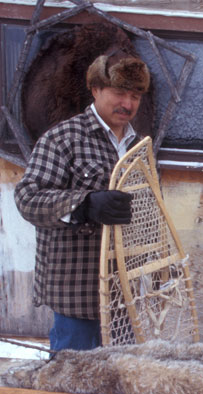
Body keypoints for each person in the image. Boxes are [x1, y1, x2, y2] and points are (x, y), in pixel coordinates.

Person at [14, 52, 150, 351]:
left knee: (120, 379)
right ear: (96, 89)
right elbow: (28, 198)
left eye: (135, 95)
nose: (127, 104)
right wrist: (84, 205)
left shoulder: (139, 147)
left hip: (124, 292)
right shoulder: (63, 138)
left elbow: (150, 211)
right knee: (71, 382)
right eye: (118, 93)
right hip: (77, 291)